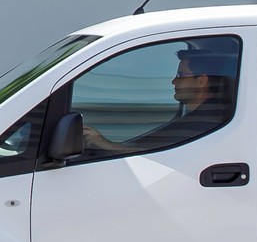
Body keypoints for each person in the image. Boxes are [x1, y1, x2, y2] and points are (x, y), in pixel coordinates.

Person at [82, 37, 239, 156]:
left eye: (181, 75)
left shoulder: (207, 122)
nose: (174, 81)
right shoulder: (193, 118)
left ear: (202, 81)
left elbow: (166, 158)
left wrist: (106, 144)